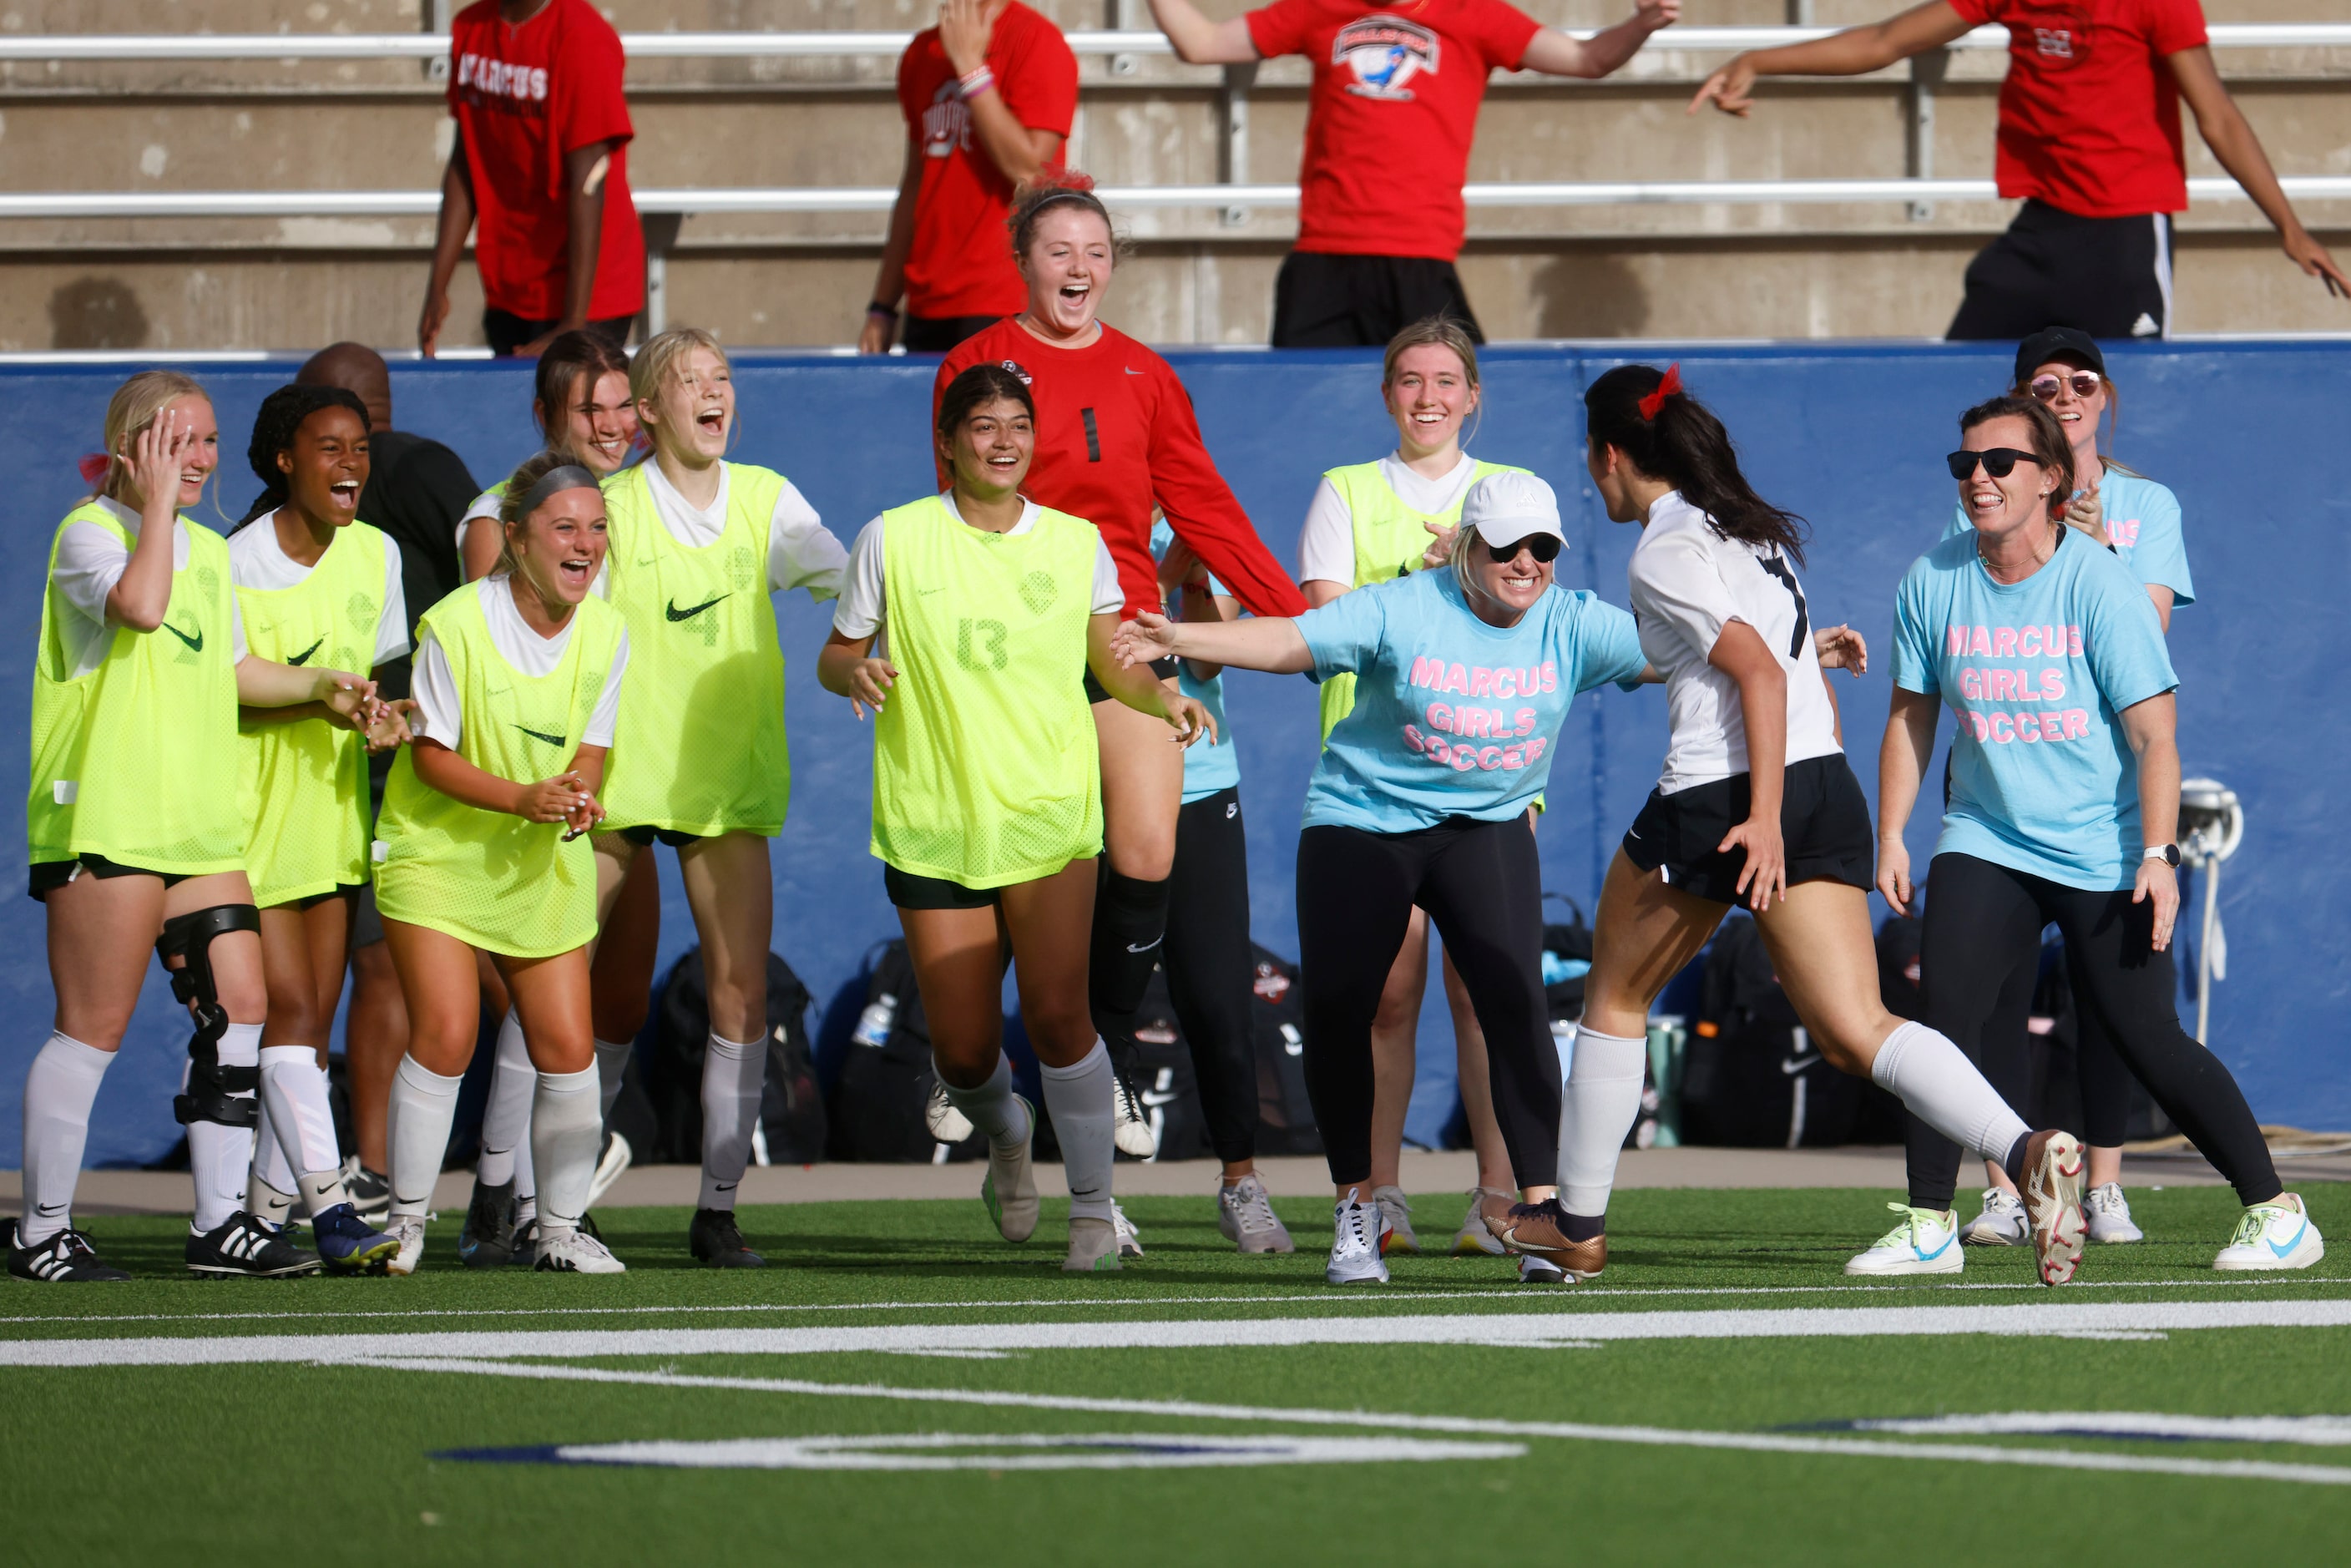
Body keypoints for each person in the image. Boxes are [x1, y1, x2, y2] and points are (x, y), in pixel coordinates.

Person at [1503, 364, 2089, 1289]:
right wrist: (1797, 798)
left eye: (1591, 457)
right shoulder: (1748, 532)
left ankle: (1573, 1226)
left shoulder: (1660, 548)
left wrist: (1763, 821)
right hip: (1818, 779)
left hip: (1724, 798)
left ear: (1610, 455)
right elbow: (1776, 666)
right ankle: (2023, 1153)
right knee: (1859, 1027)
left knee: (1612, 1001)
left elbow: (1757, 676)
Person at [1115, 471, 1652, 1285]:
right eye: (1506, 545)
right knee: (1341, 1013)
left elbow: (1682, 650)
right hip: (1362, 821)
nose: (1525, 562)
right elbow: (1290, 640)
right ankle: (1354, 1210)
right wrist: (1179, 639)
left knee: (1515, 1008)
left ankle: (1542, 1218)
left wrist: (1792, 653)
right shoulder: (1402, 607)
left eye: (1542, 548)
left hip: (1485, 827)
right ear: (1466, 548)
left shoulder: (1571, 622)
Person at [1871, 392, 2319, 1274]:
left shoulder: (2096, 584)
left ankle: (2275, 1212)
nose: (1977, 479)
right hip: (1984, 834)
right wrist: (1891, 833)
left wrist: (2157, 858)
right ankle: (1928, 1226)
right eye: (1964, 464)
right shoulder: (1931, 580)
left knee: (2145, 1038)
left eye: (1998, 463)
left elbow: (2156, 735)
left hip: (2102, 846)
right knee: (1941, 1019)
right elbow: (1908, 716)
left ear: (2049, 479)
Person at [936, 180, 1307, 1153]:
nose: (1077, 270)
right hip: (1016, 644)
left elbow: (1202, 501)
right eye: (1058, 251)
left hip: (1120, 635)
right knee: (1021, 877)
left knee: (1146, 855)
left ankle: (1099, 1061)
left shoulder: (1143, 373)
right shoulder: (976, 364)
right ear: (1022, 260)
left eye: (1094, 252)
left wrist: (1293, 617)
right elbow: (953, 517)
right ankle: (974, 1066)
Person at [821, 365, 1214, 1272]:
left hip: (1045, 816)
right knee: (961, 1053)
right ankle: (1006, 1134)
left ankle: (1089, 1212)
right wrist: (859, 672)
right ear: (947, 443)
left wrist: (1161, 696)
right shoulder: (892, 538)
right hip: (933, 819)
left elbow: (1109, 663)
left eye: (1017, 426)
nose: (1002, 442)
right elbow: (836, 654)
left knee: (1056, 1016)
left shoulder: (1074, 543)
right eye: (983, 426)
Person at [9, 372, 380, 1283]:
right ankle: (41, 1229)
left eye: (207, 442)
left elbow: (233, 668)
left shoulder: (208, 553)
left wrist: (322, 687)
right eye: (180, 443)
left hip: (197, 825)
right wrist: (160, 512)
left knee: (239, 1012)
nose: (200, 460)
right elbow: (138, 606)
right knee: (92, 1026)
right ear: (134, 446)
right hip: (107, 815)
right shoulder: (89, 534)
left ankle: (220, 1227)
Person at [576, 326, 849, 1272]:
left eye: (722, 378)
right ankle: (542, 1197)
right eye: (687, 380)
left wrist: (887, 640)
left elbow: (848, 585)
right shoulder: (608, 508)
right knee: (565, 985)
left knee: (740, 991)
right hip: (613, 779)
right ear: (646, 410)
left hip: (725, 780)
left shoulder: (767, 500)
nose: (711, 393)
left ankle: (718, 1208)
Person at [1296, 316, 1542, 1267]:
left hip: (1487, 773)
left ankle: (1497, 1198)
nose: (1428, 396)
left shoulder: (1508, 495)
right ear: (1387, 393)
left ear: (1472, 395)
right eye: (1409, 380)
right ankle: (1375, 1193)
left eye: (1446, 380)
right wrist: (1430, 573)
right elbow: (1326, 622)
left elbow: (1537, 620)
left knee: (1488, 993)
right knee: (1382, 996)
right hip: (1375, 789)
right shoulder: (1345, 491)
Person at [1942, 326, 2192, 1251]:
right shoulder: (1984, 493)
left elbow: (2146, 635)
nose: (2063, 394)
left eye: (2080, 380)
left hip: (2109, 800)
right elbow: (1953, 604)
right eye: (2041, 384)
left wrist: (2082, 552)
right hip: (1998, 800)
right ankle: (2003, 1187)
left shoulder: (2143, 504)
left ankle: (2106, 1183)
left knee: (2115, 1007)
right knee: (1985, 998)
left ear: (2105, 393)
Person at [1691, 1, 2348, 340]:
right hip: (2041, 231)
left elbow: (2219, 118)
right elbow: (1886, 42)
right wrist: (1759, 60)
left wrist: (2288, 227)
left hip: (2123, 238)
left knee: (2115, 421)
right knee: (1964, 394)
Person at [375, 449, 630, 1276]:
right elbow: (429, 760)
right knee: (446, 1034)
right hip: (437, 855)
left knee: (567, 1046)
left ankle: (556, 1230)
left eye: (596, 528)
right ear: (515, 538)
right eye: (565, 527)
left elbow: (590, 750)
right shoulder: (454, 622)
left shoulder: (608, 632)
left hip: (536, 863)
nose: (585, 544)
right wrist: (524, 798)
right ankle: (405, 1227)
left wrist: (575, 796)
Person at [453, 329, 652, 1266]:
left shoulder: (640, 507)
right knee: (540, 1003)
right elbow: (498, 660)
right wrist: (545, 786)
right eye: (590, 407)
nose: (612, 424)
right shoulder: (497, 517)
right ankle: (510, 1197)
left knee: (599, 1007)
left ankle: (534, 1196)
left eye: (622, 403)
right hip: (514, 801)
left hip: (614, 784)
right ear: (546, 418)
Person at [1148, 0, 1679, 346]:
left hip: (1421, 258)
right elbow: (1203, 44)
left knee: (1459, 412)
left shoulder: (1477, 15)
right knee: (1301, 409)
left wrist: (1641, 25)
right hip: (1324, 256)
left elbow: (1587, 59)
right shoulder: (1318, 9)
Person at [225, 386, 415, 1273]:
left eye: (361, 447)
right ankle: (332, 1209)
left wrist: (381, 721)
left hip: (332, 819)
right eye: (328, 446)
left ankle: (261, 1223)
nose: (350, 463)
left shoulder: (377, 556)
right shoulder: (231, 563)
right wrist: (312, 692)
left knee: (304, 1025)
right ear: (283, 460)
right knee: (287, 1017)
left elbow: (371, 685)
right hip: (243, 823)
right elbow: (221, 686)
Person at [294, 344, 481, 1222]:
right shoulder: (291, 513)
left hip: (399, 751)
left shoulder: (418, 467)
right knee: (370, 970)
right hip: (369, 755)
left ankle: (369, 1168)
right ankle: (366, 1168)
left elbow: (488, 553)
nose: (351, 464)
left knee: (365, 971)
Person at [1150, 520, 1293, 1254]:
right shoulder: (1063, 528)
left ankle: (1240, 1181)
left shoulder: (1193, 534)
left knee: (1215, 996)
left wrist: (1185, 574)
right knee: (1093, 999)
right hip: (1082, 791)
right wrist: (1150, 578)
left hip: (1201, 789)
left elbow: (1208, 657)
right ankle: (1095, 1199)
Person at [422, 0, 643, 357]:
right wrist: (438, 286)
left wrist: (572, 323)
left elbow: (590, 181)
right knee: (516, 410)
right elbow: (466, 160)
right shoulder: (471, 27)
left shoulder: (583, 37)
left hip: (589, 294)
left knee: (572, 410)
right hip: (511, 284)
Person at [862, 0, 1078, 355]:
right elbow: (916, 184)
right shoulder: (922, 52)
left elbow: (1031, 174)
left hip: (1004, 301)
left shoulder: (1037, 41)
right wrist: (883, 306)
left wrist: (970, 67)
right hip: (927, 300)